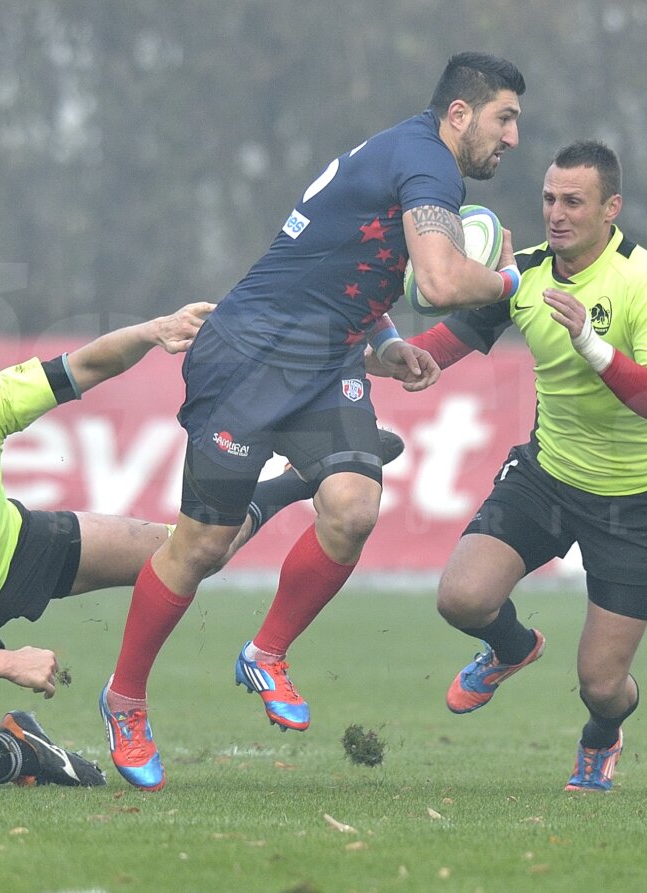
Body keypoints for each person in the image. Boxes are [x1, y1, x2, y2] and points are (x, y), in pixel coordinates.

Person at [99, 51, 527, 791]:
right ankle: (124, 699)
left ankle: (266, 652)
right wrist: (511, 280)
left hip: (326, 361)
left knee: (355, 508)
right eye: (505, 117)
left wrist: (387, 345)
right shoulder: (429, 164)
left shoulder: (404, 152)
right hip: (247, 358)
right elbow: (439, 280)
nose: (513, 136)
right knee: (200, 548)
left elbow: (349, 263)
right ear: (461, 113)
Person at [0, 302, 358, 789]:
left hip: (27, 549)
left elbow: (81, 367)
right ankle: (17, 752)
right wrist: (6, 663)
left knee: (201, 551)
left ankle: (290, 484)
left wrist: (152, 332)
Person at [398, 140, 647, 791]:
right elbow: (441, 347)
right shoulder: (524, 273)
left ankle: (601, 735)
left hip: (637, 499)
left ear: (610, 208)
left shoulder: (645, 281)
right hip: (549, 476)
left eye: (574, 202)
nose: (556, 214)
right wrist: (374, 354)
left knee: (602, 683)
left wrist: (593, 345)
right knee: (462, 596)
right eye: (549, 198)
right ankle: (511, 646)